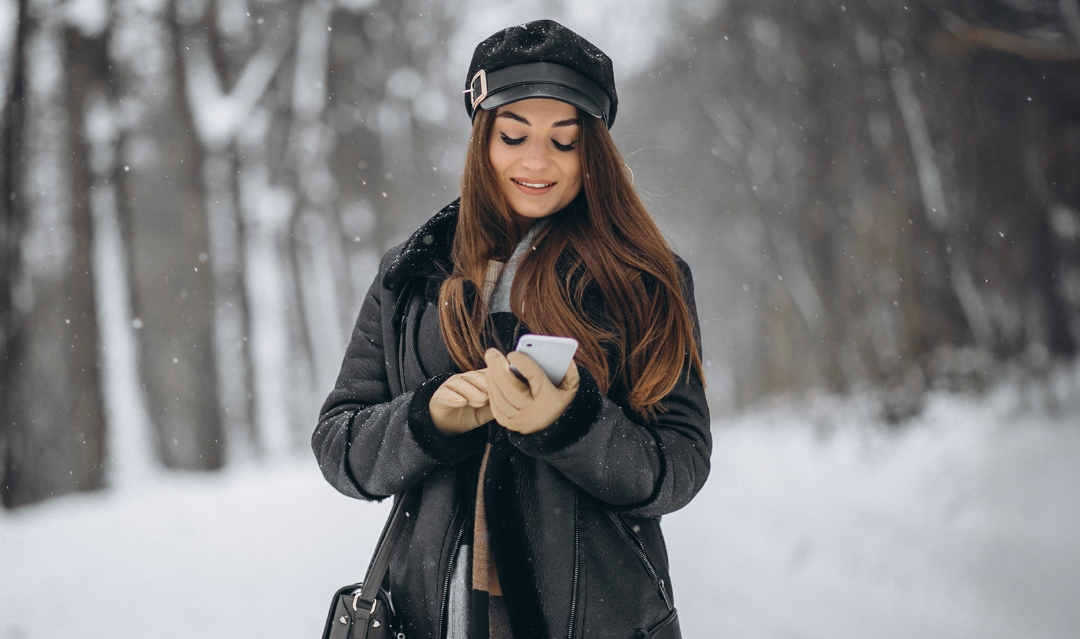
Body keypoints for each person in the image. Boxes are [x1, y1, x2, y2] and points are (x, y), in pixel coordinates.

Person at [313, 20, 710, 639]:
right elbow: (341, 446)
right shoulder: (410, 275)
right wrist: (427, 419)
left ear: (593, 152)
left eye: (564, 141)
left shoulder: (645, 279)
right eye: (514, 135)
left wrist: (573, 423)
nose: (536, 161)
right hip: (433, 619)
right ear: (483, 140)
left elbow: (678, 464)